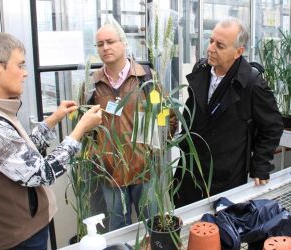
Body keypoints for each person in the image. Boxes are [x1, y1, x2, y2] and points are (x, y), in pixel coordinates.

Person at [0, 32, 102, 250]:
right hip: (19, 241)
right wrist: (80, 131)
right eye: (20, 65)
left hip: (24, 233)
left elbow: (19, 155)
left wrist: (53, 120)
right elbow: (41, 173)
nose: (26, 73)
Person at [173, 17, 283, 208]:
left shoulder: (252, 83)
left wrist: (260, 165)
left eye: (220, 45)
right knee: (188, 224)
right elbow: (192, 109)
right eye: (211, 41)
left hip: (225, 174)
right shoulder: (201, 68)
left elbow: (272, 126)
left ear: (238, 52)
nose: (211, 48)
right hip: (191, 169)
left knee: (220, 230)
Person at [89, 22, 177, 231]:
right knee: (118, 229)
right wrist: (97, 153)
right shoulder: (92, 84)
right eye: (100, 44)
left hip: (144, 170)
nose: (105, 48)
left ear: (123, 43)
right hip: (110, 173)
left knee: (153, 225)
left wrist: (155, 150)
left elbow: (169, 117)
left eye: (110, 42)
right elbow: (86, 127)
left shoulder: (146, 79)